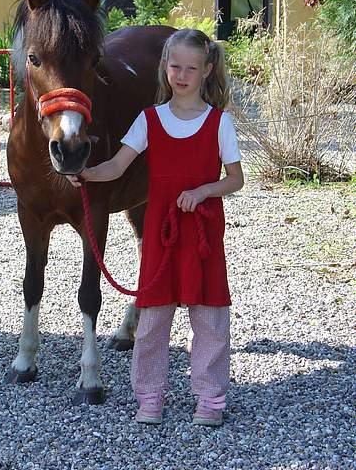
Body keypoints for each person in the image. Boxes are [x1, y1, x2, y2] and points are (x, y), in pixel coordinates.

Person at [67, 28, 244, 426]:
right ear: (165, 67)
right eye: (175, 66)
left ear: (207, 70)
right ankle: (149, 397)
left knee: (210, 319)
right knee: (151, 323)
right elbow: (116, 166)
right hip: (161, 235)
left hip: (202, 234)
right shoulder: (149, 120)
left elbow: (236, 179)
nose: (181, 75)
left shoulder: (220, 123)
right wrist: (86, 172)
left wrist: (202, 192)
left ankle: (211, 400)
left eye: (191, 68)